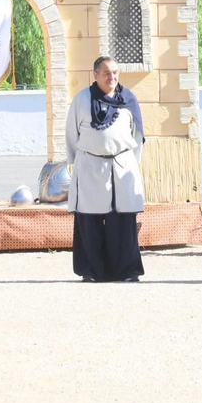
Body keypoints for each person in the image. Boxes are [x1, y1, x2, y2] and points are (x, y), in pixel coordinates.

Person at [65, 55, 146, 282]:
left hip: (121, 167)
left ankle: (127, 270)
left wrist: (131, 162)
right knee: (89, 221)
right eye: (107, 73)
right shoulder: (81, 100)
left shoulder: (128, 98)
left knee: (122, 221)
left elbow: (137, 134)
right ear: (96, 75)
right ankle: (91, 271)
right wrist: (75, 162)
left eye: (115, 72)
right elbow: (72, 134)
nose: (112, 77)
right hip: (90, 166)